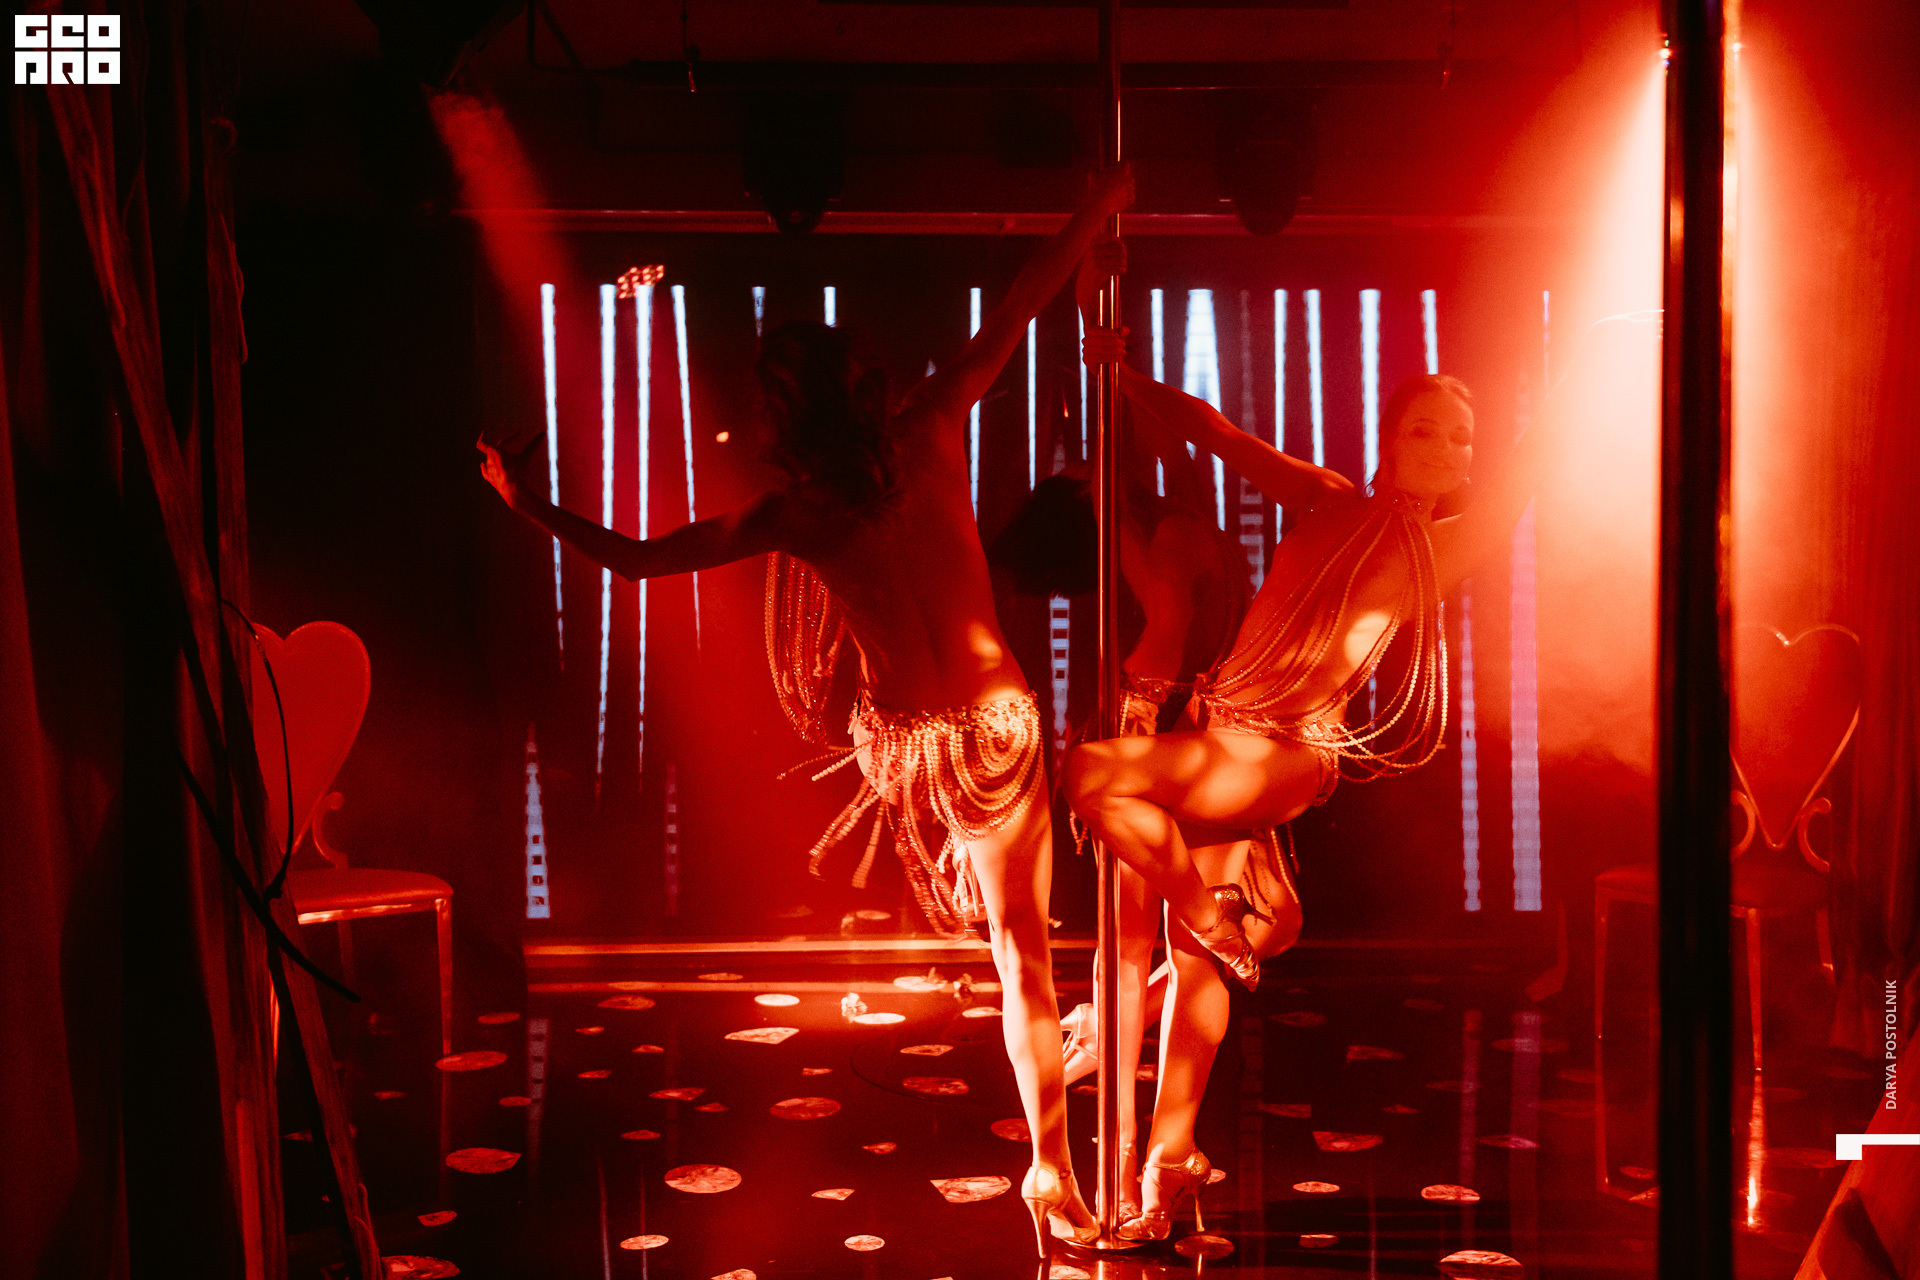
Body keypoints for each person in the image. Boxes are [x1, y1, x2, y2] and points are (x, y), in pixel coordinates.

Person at [478, 167, 1133, 1257]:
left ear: (784, 415)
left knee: (1008, 946)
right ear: (861, 381)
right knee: (1024, 957)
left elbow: (637, 560)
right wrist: (1098, 208)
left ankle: (1053, 1168)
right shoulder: (931, 422)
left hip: (918, 747)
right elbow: (1022, 299)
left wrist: (526, 502)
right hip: (995, 729)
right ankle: (1051, 1169)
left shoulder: (799, 511)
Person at [1064, 241, 1558, 1242]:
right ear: (1389, 437)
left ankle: (1205, 919)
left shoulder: (1445, 545)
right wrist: (1115, 366)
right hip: (1221, 732)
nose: (1447, 449)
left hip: (1286, 749)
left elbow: (1535, 462)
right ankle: (1168, 1158)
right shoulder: (1328, 498)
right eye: (1426, 429)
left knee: (1092, 773)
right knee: (1194, 969)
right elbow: (1215, 431)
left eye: (1463, 439)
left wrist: (1592, 349)